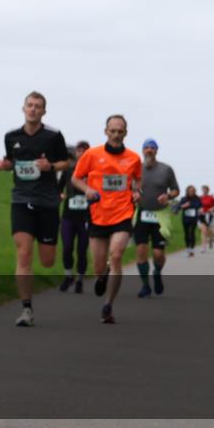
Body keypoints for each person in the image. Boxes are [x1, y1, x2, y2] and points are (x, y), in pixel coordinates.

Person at [0, 92, 69, 326]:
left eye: (38, 106)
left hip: (47, 202)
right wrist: (5, 165)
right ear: (23, 108)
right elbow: (12, 163)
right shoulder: (11, 136)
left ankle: (46, 261)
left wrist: (50, 166)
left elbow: (66, 163)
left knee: (47, 260)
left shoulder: (53, 136)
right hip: (21, 199)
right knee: (24, 253)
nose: (33, 109)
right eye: (30, 105)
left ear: (44, 112)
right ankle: (26, 309)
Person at [71, 114, 143, 324]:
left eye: (120, 132)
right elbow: (76, 178)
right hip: (98, 214)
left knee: (117, 255)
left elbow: (138, 181)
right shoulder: (92, 155)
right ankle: (102, 276)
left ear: (126, 133)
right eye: (113, 131)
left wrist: (137, 192)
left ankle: (108, 305)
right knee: (99, 266)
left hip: (123, 213)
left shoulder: (133, 158)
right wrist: (87, 189)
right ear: (106, 132)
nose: (116, 135)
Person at [133, 139, 179, 298]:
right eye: (146, 147)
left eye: (152, 148)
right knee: (141, 250)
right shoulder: (135, 168)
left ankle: (157, 272)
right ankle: (145, 285)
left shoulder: (166, 169)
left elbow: (176, 190)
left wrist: (168, 195)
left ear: (157, 151)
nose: (149, 150)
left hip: (160, 215)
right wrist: (134, 194)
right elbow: (127, 188)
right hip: (142, 213)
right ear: (142, 150)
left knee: (158, 254)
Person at [58, 141, 92, 293]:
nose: (82, 153)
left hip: (86, 217)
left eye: (85, 151)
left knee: (82, 250)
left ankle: (79, 279)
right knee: (67, 247)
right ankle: (68, 275)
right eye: (79, 150)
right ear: (76, 153)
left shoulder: (93, 172)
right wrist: (60, 195)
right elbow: (58, 189)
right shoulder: (68, 171)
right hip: (68, 216)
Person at [178, 186, 203, 257]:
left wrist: (200, 209)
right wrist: (184, 206)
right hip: (185, 219)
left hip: (194, 219)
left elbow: (200, 206)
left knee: (192, 233)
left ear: (194, 191)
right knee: (186, 234)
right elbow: (179, 207)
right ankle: (187, 248)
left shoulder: (197, 198)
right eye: (190, 191)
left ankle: (192, 248)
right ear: (187, 191)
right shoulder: (184, 199)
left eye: (192, 191)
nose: (191, 192)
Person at [199, 185, 214, 251]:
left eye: (205, 189)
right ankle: (204, 247)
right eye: (203, 189)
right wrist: (199, 209)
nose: (204, 190)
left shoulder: (211, 197)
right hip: (202, 215)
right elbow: (197, 205)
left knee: (210, 230)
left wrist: (212, 208)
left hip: (210, 215)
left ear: (208, 190)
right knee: (203, 230)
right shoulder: (200, 198)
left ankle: (211, 240)